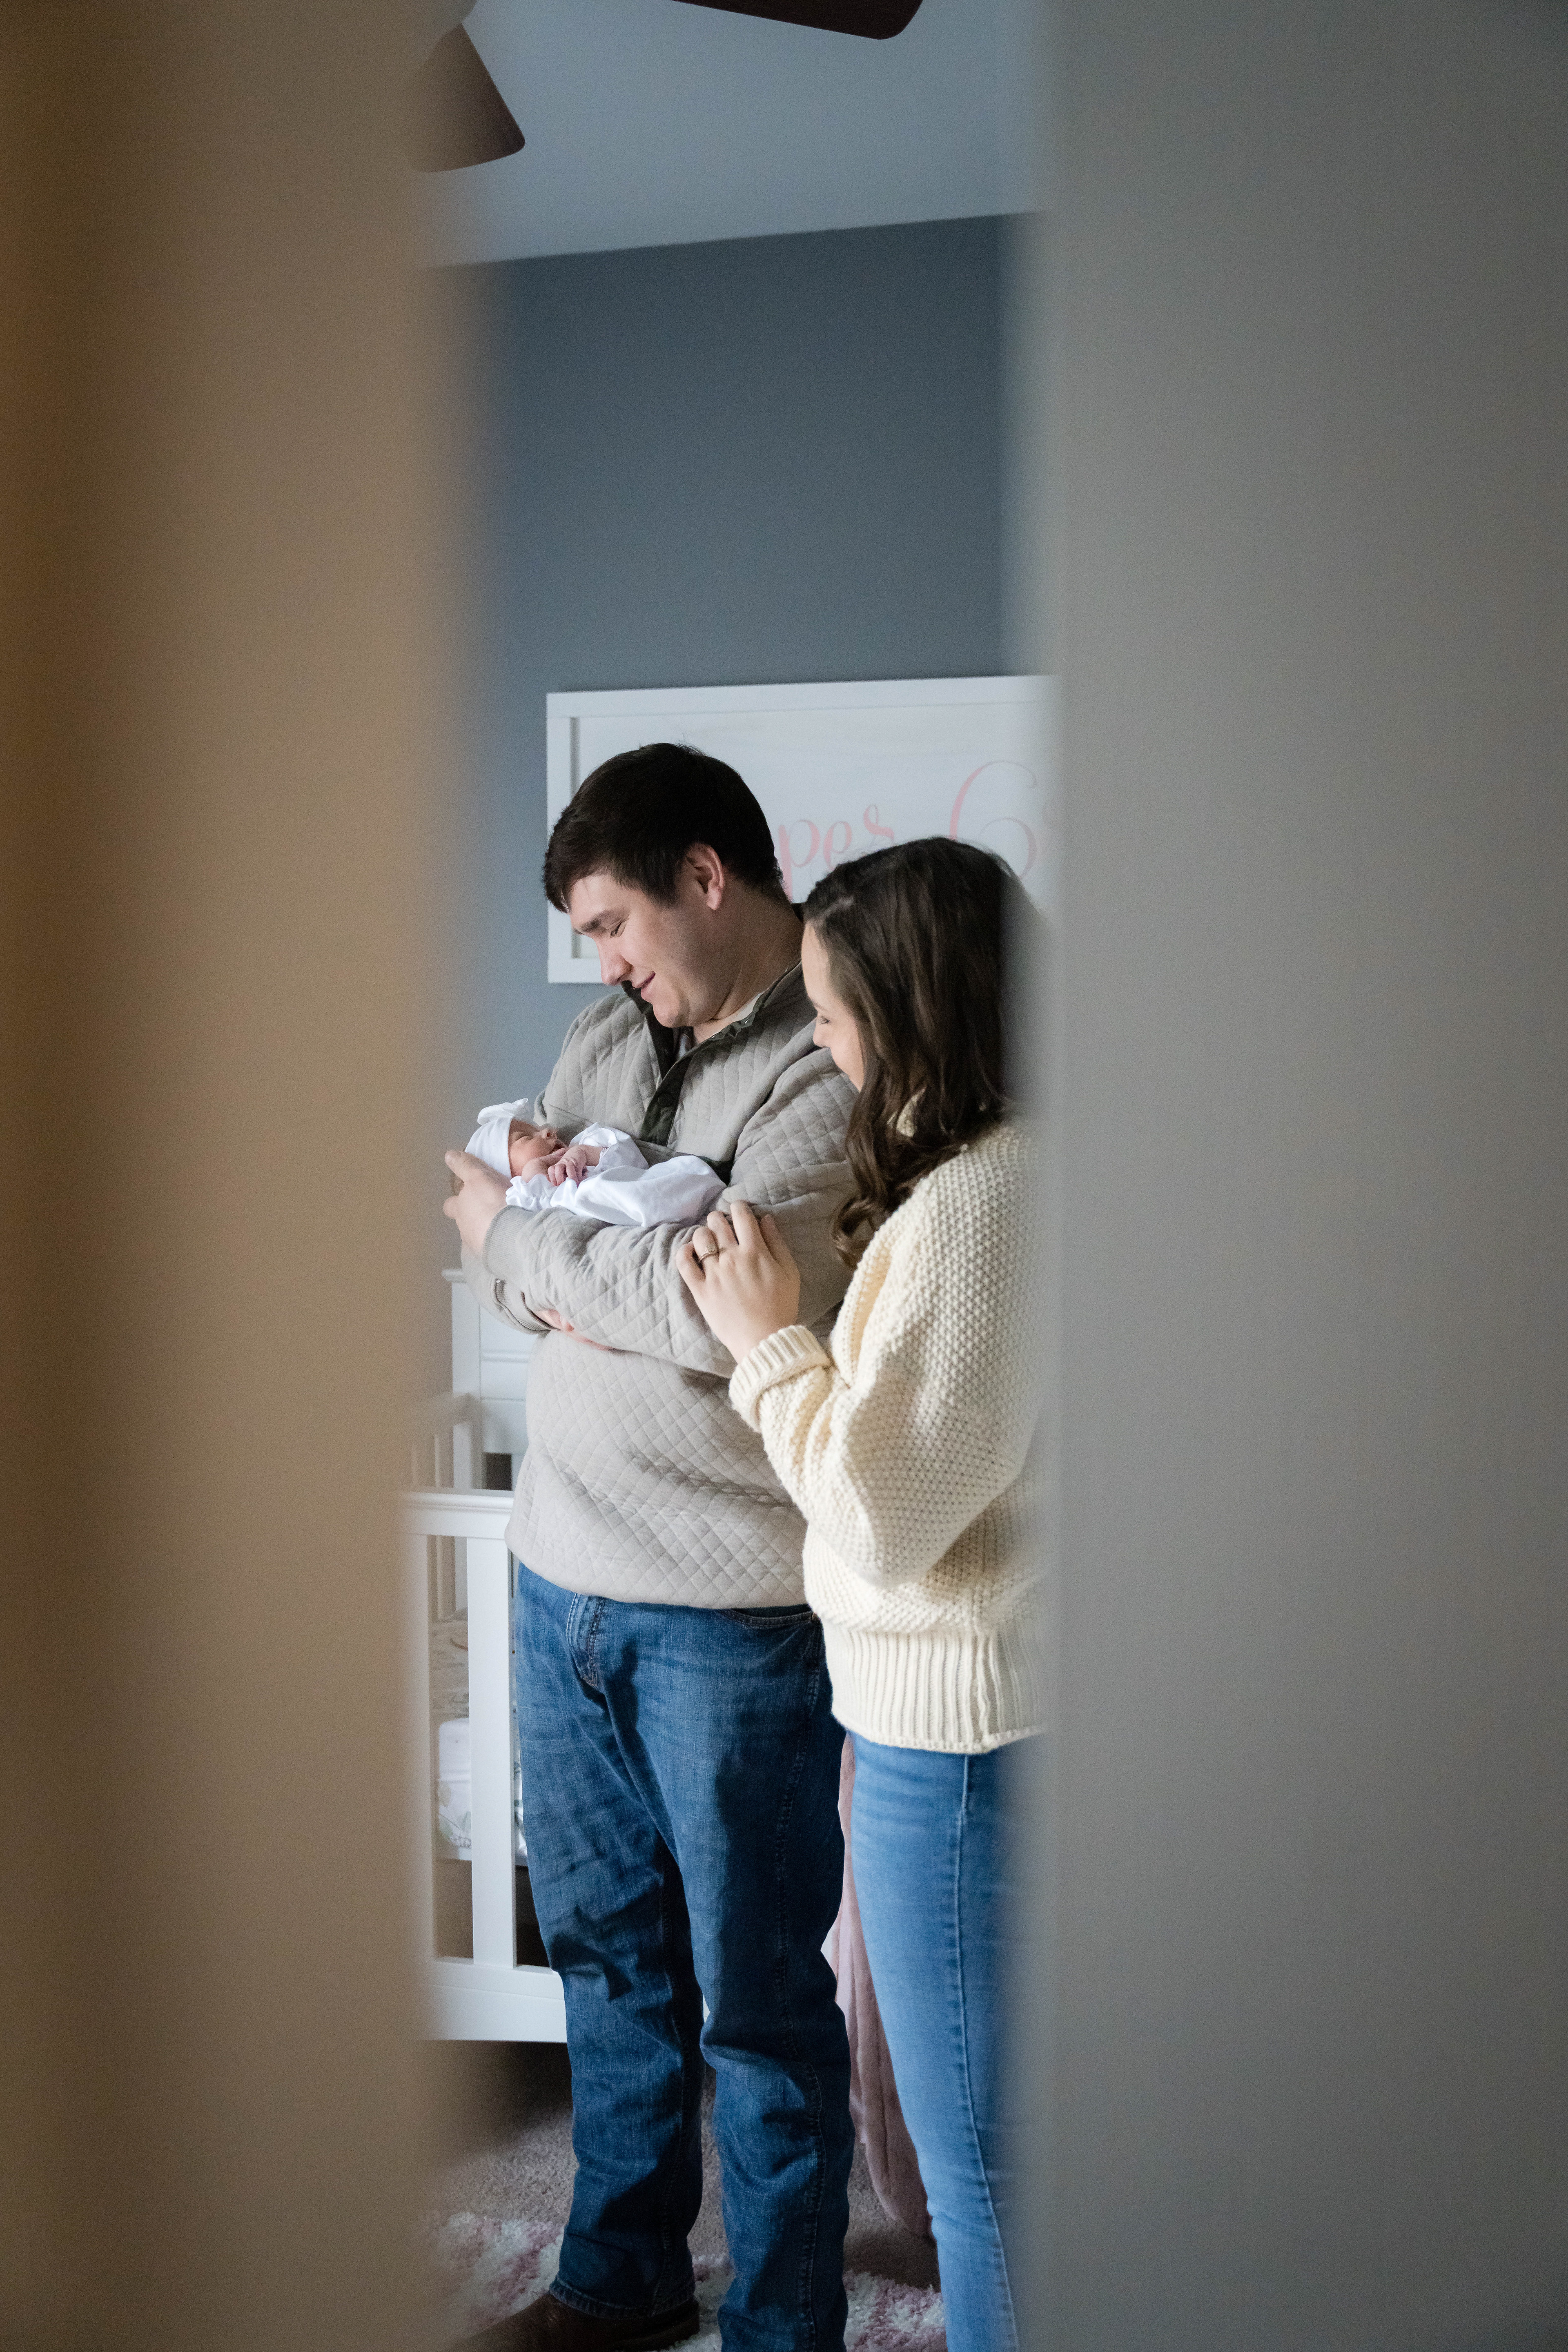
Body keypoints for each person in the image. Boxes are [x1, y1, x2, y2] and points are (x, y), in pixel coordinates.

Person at [442, 743, 858, 2352]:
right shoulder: (605, 1037)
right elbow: (490, 1230)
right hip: (560, 1582)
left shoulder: (829, 1058)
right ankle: (617, 2277)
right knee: (607, 1959)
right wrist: (527, 1244)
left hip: (728, 1609)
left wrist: (520, 1245)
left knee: (753, 1997)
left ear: (705, 876)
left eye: (617, 924)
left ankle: (783, 2317)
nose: (606, 967)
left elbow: (725, 1308)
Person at [677, 837, 1047, 2352]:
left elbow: (888, 1516)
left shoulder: (979, 1205)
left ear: (912, 1006)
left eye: (832, 1014)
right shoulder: (1018, 1177)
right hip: (983, 1721)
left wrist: (770, 1342)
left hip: (954, 1743)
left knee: (983, 2183)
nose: (823, 1048)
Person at [463, 1105, 726, 1229]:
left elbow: (632, 1160)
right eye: (525, 1138)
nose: (546, 1131)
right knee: (593, 1195)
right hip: (620, 1231)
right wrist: (535, 1179)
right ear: (506, 1178)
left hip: (648, 1193)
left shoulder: (583, 1144)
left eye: (538, 1128)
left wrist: (584, 1154)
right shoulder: (521, 1201)